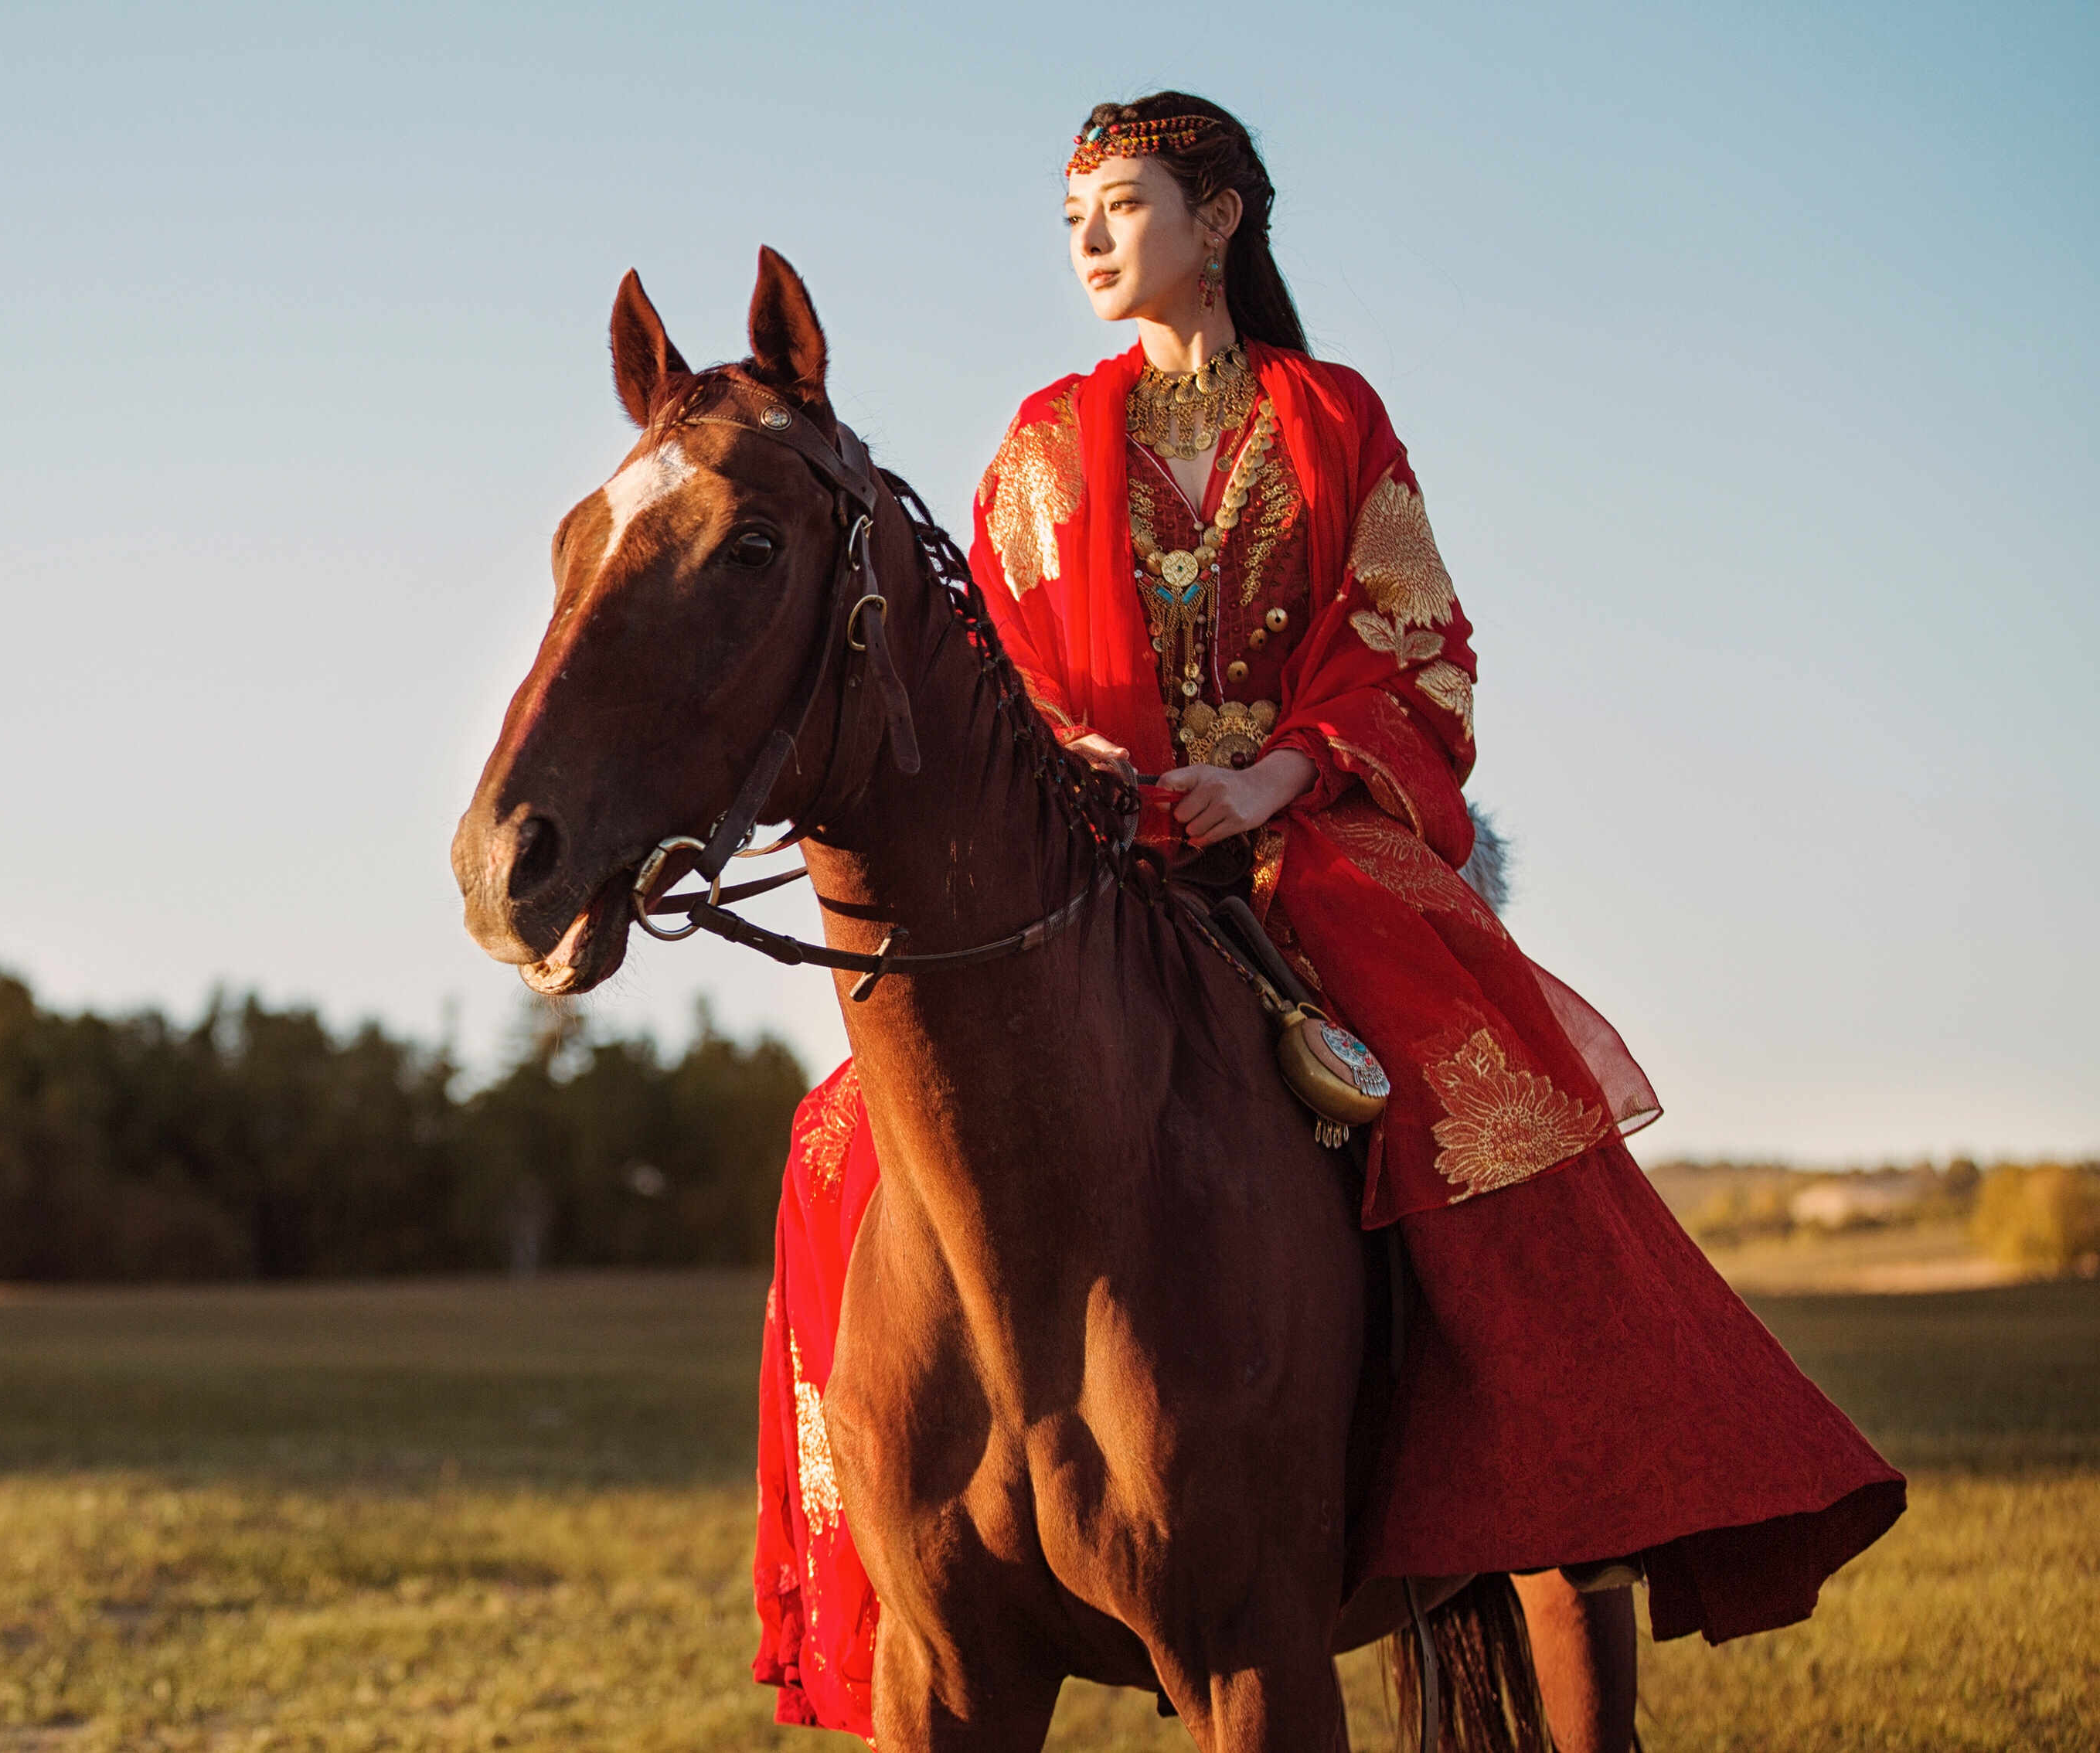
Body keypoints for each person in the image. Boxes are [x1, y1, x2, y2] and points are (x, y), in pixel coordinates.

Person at [750, 93, 1905, 1751]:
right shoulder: (1031, 447)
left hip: (1303, 845)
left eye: (1121, 204)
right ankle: (874, 1530)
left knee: (1462, 1096)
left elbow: (1416, 650)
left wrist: (1282, 775)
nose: (1088, 238)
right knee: (842, 1137)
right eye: (1071, 213)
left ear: (1217, 222)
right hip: (1101, 852)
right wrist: (1065, 748)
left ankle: (1542, 1463)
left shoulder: (1329, 418)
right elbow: (991, 664)